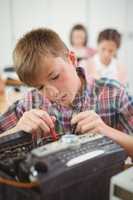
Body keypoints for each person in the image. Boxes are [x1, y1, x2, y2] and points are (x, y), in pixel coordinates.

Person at [0, 28, 133, 157]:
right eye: (40, 87)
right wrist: (15, 131)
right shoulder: (29, 103)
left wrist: (107, 132)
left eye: (55, 77)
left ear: (72, 59)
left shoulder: (114, 94)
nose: (53, 93)